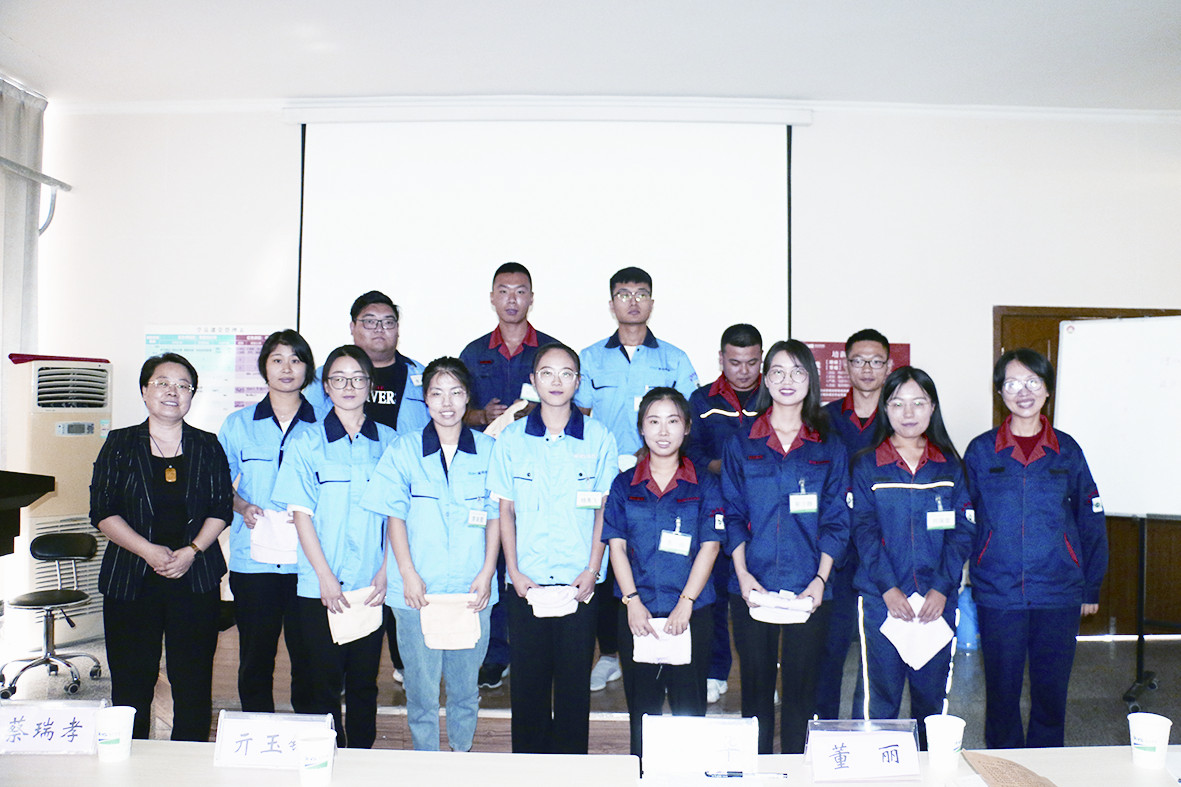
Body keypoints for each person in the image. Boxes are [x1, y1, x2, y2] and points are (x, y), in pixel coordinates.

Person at [964, 348, 1107, 749]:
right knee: (1001, 694)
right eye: (1012, 383)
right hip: (998, 592)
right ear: (1000, 392)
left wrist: (1090, 586)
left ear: (1047, 390)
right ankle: (1003, 767)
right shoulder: (981, 450)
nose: (1023, 392)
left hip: (1058, 591)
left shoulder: (1068, 450)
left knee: (1051, 693)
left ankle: (1046, 765)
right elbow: (965, 518)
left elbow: (1090, 519)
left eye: (1033, 382)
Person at [360, 357, 500, 752]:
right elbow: (394, 516)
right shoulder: (403, 450)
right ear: (425, 400)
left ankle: (460, 756)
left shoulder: (490, 450)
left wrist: (487, 572)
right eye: (437, 393)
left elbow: (496, 517)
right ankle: (425, 763)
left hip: (471, 589)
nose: (446, 403)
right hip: (417, 591)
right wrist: (407, 573)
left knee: (465, 689)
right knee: (421, 692)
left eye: (455, 392)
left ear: (468, 396)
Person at [90, 353, 232, 741]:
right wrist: (148, 551)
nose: (173, 392)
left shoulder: (207, 445)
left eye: (183, 385)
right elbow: (102, 511)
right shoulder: (120, 443)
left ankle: (187, 759)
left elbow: (221, 509)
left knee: (193, 680)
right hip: (131, 579)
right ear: (144, 391)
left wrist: (192, 551)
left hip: (195, 577)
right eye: (163, 383)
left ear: (192, 396)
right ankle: (130, 758)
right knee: (131, 681)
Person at [487, 342, 618, 754]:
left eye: (566, 373)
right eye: (547, 373)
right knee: (527, 687)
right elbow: (505, 510)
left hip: (579, 584)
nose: (556, 381)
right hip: (527, 583)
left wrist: (592, 570)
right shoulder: (512, 439)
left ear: (578, 382)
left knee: (573, 689)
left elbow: (604, 511)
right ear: (533, 381)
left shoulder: (599, 437)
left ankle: (570, 771)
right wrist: (514, 572)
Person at [722, 339, 850, 754]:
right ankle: (757, 771)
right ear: (765, 379)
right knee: (755, 690)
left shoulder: (829, 445)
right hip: (752, 584)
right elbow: (732, 514)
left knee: (802, 692)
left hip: (809, 585)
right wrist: (743, 575)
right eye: (777, 371)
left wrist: (820, 580)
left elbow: (836, 519)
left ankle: (796, 770)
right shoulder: (742, 442)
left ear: (811, 380)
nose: (787, 380)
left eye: (797, 371)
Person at [576, 266, 698, 692]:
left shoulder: (674, 359)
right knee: (609, 566)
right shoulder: (590, 358)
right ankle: (611, 654)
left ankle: (668, 645)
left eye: (641, 293)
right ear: (611, 304)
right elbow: (581, 417)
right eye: (624, 294)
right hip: (608, 480)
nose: (632, 301)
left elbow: (686, 417)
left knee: (655, 560)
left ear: (651, 302)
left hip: (660, 478)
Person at [271, 345, 396, 748]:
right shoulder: (307, 441)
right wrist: (324, 577)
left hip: (371, 583)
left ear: (370, 385)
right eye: (339, 379)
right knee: (322, 681)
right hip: (320, 585)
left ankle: (362, 756)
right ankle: (326, 756)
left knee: (364, 681)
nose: (349, 386)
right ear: (326, 386)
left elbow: (398, 516)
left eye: (358, 378)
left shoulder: (390, 442)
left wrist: (386, 570)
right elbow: (301, 515)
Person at [306, 290, 428, 683]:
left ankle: (403, 665)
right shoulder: (324, 377)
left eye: (388, 322)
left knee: (396, 582)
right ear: (353, 327)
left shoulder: (419, 375)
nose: (380, 329)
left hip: (405, 499)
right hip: (341, 501)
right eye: (370, 322)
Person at [851, 367, 973, 747]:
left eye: (918, 403)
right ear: (885, 409)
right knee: (878, 699)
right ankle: (872, 766)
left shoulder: (949, 465)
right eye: (897, 403)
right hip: (881, 602)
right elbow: (863, 531)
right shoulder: (868, 464)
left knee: (931, 704)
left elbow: (963, 531)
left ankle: (930, 767)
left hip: (937, 604)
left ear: (932, 408)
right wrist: (888, 588)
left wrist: (941, 588)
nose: (908, 413)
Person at [603, 387, 723, 756]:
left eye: (672, 421)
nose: (663, 431)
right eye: (653, 421)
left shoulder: (705, 483)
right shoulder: (624, 484)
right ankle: (643, 773)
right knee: (642, 712)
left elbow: (710, 545)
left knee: (690, 709)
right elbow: (616, 547)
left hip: (691, 613)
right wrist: (632, 601)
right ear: (641, 428)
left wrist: (686, 603)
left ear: (686, 427)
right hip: (637, 613)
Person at [458, 261, 559, 690]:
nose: (512, 299)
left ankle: (536, 651)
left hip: (539, 472)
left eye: (520, 291)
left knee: (533, 556)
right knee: (493, 559)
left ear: (531, 297)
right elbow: (454, 408)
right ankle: (495, 654)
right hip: (486, 472)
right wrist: (481, 415)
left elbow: (573, 406)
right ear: (492, 298)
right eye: (504, 291)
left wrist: (539, 411)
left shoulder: (550, 351)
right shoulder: (473, 352)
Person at [217, 329, 318, 714]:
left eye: (295, 359)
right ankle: (255, 731)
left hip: (308, 563)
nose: (286, 368)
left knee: (308, 657)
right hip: (254, 560)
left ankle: (309, 732)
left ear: (307, 369)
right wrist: (242, 506)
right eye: (277, 360)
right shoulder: (238, 424)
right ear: (264, 368)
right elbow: (218, 486)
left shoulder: (324, 424)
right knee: (255, 657)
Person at [816, 328, 892, 720]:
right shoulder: (824, 418)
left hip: (883, 549)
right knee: (829, 647)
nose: (867, 369)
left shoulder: (899, 417)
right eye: (858, 361)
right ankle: (824, 729)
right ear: (846, 366)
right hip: (835, 552)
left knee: (876, 650)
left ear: (888, 366)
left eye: (875, 361)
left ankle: (868, 730)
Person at [686, 323, 763, 705]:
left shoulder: (774, 397)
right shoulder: (701, 400)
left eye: (751, 362)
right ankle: (716, 671)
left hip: (763, 514)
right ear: (721, 359)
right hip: (716, 509)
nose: (744, 371)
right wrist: (726, 467)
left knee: (761, 595)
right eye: (735, 362)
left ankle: (764, 676)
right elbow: (691, 453)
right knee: (714, 597)